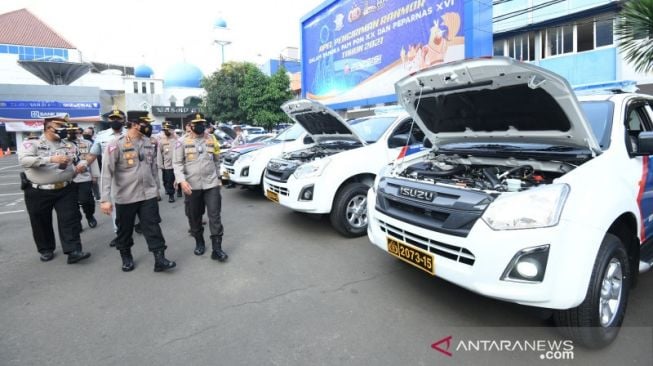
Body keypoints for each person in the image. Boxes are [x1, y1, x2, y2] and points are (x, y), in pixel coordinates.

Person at [100, 111, 176, 272]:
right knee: (124, 230)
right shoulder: (116, 144)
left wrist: (156, 188)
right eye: (145, 123)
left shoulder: (149, 142)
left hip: (147, 194)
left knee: (153, 226)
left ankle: (159, 259)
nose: (148, 126)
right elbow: (107, 172)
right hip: (126, 196)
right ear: (134, 124)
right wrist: (105, 199)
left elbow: (153, 168)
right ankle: (126, 256)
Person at [18, 114, 91, 264]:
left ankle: (73, 251)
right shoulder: (33, 143)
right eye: (60, 126)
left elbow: (79, 158)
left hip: (65, 188)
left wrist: (81, 166)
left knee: (69, 219)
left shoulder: (68, 144)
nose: (64, 129)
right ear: (48, 128)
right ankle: (46, 249)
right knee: (40, 221)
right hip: (39, 191)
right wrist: (50, 159)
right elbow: (24, 160)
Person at [173, 113, 228, 261]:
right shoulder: (181, 142)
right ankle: (199, 241)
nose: (200, 126)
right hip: (192, 185)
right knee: (195, 216)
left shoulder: (211, 140)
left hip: (211, 184)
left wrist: (219, 177)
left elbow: (217, 160)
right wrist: (181, 181)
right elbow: (177, 164)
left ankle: (217, 249)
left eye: (202, 123)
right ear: (190, 126)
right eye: (196, 124)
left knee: (215, 216)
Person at [67, 123, 99, 229]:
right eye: (70, 131)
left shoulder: (86, 143)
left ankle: (90, 216)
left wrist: (94, 175)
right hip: (69, 178)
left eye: (75, 130)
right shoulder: (62, 143)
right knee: (72, 203)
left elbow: (92, 160)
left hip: (84, 176)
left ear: (78, 131)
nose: (73, 133)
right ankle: (77, 221)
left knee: (86, 200)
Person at [157, 121, 178, 202]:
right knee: (169, 181)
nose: (167, 131)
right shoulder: (162, 141)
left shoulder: (177, 139)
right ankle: (171, 195)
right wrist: (160, 164)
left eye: (168, 129)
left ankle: (179, 190)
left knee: (178, 178)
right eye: (165, 130)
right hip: (168, 165)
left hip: (177, 164)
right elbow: (159, 153)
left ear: (172, 130)